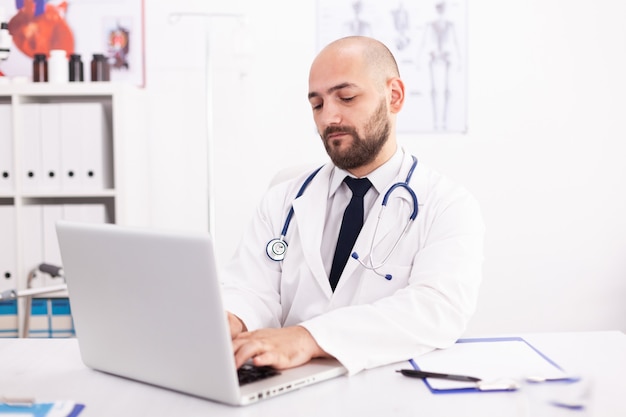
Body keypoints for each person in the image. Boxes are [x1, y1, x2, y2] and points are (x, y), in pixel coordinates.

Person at [222, 36, 484, 375]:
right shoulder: (283, 200)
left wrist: (308, 338)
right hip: (288, 390)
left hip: (388, 392)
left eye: (346, 97)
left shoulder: (447, 205)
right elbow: (251, 288)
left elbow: (437, 309)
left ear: (394, 97)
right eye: (317, 104)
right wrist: (231, 318)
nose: (329, 117)